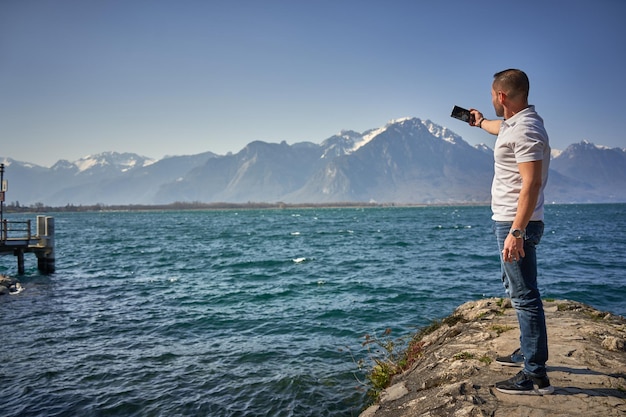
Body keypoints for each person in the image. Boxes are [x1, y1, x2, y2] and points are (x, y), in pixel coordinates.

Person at [470, 69, 553, 395]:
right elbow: (497, 128)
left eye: (492, 95)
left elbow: (530, 183)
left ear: (501, 96)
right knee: (518, 288)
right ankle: (528, 349)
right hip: (510, 220)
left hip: (517, 223)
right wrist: (476, 122)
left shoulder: (527, 129)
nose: (490, 99)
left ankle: (535, 376)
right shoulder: (515, 124)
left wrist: (516, 232)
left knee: (524, 296)